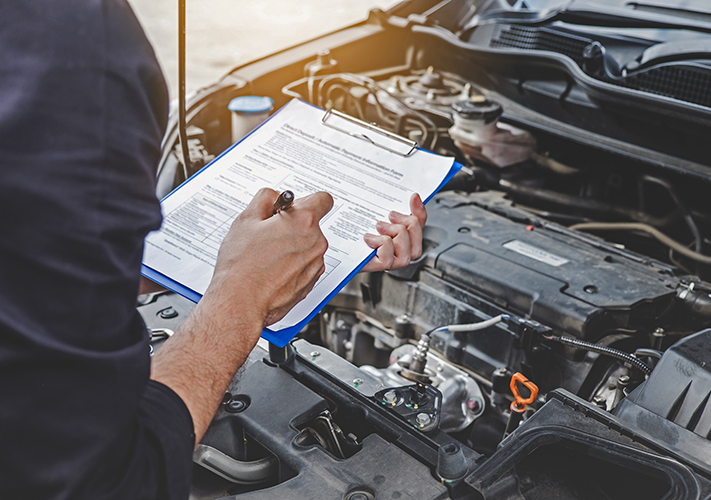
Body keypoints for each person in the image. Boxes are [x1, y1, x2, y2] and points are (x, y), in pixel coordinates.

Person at [0, 1, 427, 499]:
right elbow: (100, 480)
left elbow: (31, 268)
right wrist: (243, 290)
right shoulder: (68, 47)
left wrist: (280, 259)